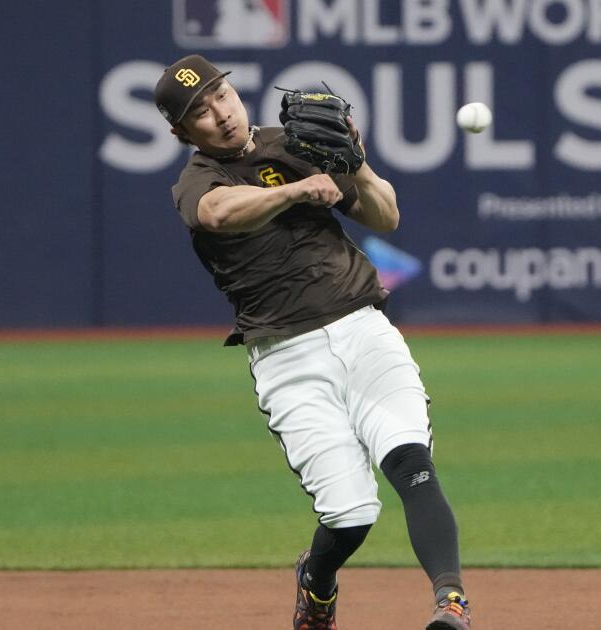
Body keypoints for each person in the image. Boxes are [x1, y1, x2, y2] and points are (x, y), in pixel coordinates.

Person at [153, 54, 471, 630]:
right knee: (351, 515)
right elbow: (221, 214)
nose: (218, 114)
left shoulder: (295, 142)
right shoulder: (198, 181)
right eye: (199, 112)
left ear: (233, 92)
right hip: (286, 355)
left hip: (363, 326)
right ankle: (316, 579)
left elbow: (386, 216)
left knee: (411, 463)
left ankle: (450, 603)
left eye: (220, 96)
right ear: (182, 132)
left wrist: (362, 167)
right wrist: (298, 190)